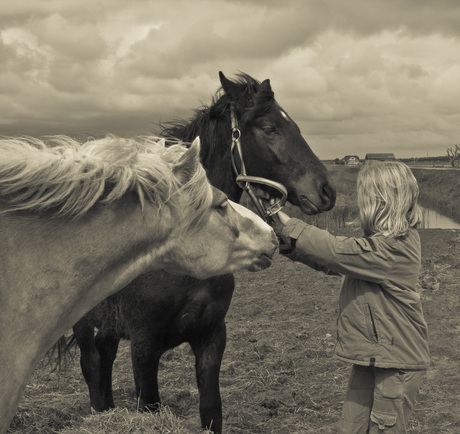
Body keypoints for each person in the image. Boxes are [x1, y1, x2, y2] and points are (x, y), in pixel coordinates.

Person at [274, 160, 430, 433]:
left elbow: (335, 251)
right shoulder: (379, 245)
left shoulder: (395, 246)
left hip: (397, 365)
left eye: (365, 196)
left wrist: (285, 221)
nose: (360, 203)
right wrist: (290, 244)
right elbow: (334, 263)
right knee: (351, 427)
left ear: (382, 201)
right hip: (372, 357)